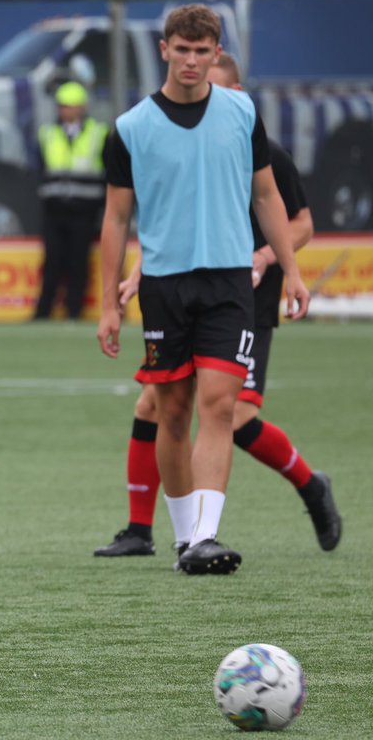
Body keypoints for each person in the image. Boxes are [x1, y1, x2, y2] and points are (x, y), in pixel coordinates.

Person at [94, 52, 342, 559]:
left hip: (246, 291)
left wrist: (270, 258)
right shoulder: (164, 134)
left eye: (218, 84)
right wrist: (139, 273)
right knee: (156, 404)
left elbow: (301, 223)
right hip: (183, 288)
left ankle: (308, 484)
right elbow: (169, 220)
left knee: (232, 415)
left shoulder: (257, 139)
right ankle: (143, 530)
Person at [33, 81, 109, 320]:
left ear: (81, 107)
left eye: (69, 106)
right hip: (54, 209)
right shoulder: (48, 133)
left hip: (84, 210)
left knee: (78, 261)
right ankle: (43, 311)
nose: (65, 111)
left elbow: (108, 170)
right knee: (52, 261)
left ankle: (74, 311)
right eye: (62, 106)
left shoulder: (99, 132)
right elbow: (40, 168)